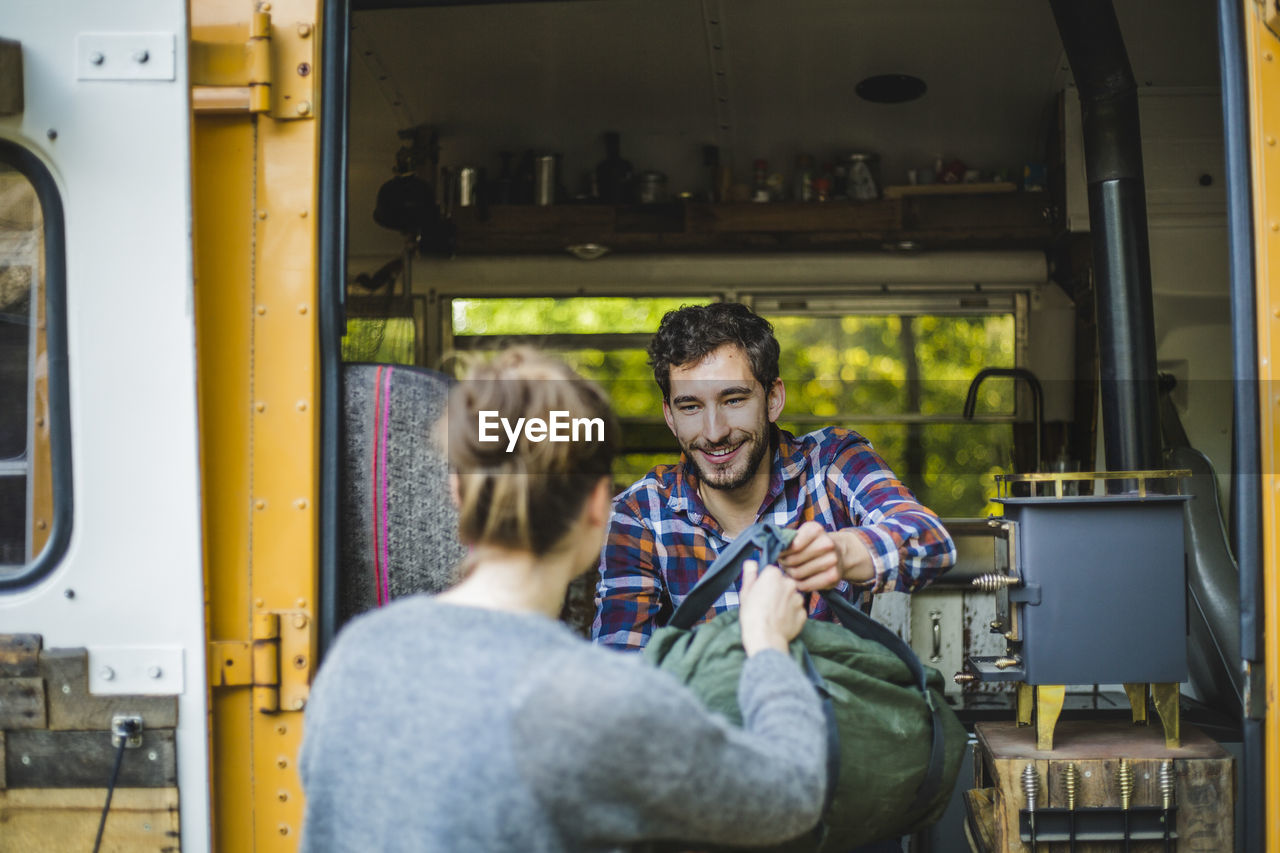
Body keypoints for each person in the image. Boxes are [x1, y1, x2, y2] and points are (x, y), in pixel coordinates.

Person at [299, 348, 830, 852]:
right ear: (599, 505)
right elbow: (792, 795)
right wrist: (766, 645)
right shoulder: (599, 699)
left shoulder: (357, 655)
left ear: (458, 492)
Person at [593, 302, 956, 651]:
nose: (715, 431)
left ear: (772, 399)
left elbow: (933, 543)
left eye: (733, 400)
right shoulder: (639, 513)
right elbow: (620, 667)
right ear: (670, 417)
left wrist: (843, 552)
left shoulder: (831, 463)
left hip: (828, 710)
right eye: (690, 406)